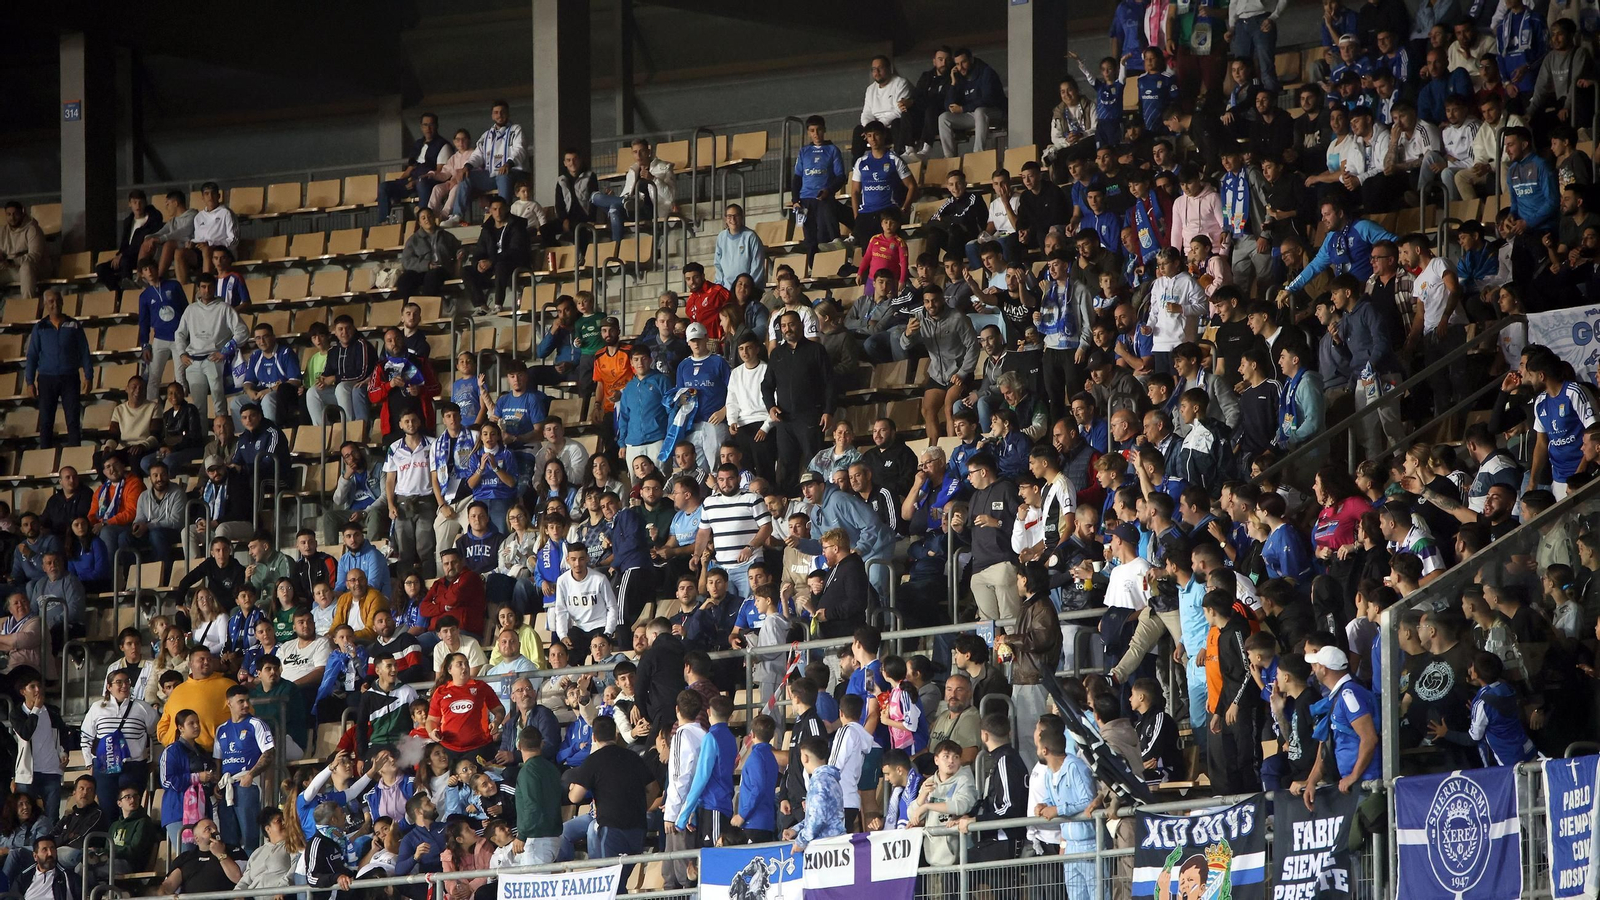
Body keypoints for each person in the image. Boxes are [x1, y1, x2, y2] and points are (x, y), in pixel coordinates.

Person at [1302, 645, 1381, 809]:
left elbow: (1369, 738)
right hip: (1354, 785)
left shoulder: (1349, 694)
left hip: (1365, 784)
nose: (1313, 669)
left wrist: (1354, 776)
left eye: (1315, 665)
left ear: (1323, 669)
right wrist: (1311, 782)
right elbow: (1327, 744)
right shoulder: (1339, 696)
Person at [79, 668, 158, 817]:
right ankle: (110, 840)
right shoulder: (97, 708)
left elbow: (157, 736)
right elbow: (86, 737)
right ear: (109, 687)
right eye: (119, 682)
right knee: (107, 811)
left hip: (134, 766)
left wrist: (155, 760)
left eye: (127, 682)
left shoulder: (143, 708)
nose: (124, 686)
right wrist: (89, 763)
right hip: (104, 768)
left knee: (131, 811)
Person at [24, 290, 93, 450]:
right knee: (46, 421)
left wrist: (88, 376)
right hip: (47, 379)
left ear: (62, 302)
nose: (54, 304)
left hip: (70, 378)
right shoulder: (40, 327)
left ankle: (75, 456)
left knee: (73, 419)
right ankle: (45, 457)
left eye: (57, 300)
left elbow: (84, 352)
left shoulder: (74, 324)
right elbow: (32, 356)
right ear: (45, 305)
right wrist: (29, 381)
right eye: (50, 301)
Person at [445, 100, 526, 226]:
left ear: (508, 114)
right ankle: (457, 216)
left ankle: (503, 216)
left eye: (502, 112)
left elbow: (519, 150)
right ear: (492, 115)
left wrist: (508, 163)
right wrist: (467, 166)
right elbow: (478, 155)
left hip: (514, 172)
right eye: (496, 112)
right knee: (466, 176)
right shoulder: (487, 135)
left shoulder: (516, 130)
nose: (499, 115)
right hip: (492, 174)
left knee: (503, 175)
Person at [592, 138, 675, 251]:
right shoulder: (632, 171)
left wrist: (653, 179)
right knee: (601, 200)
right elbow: (627, 192)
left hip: (651, 210)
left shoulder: (664, 168)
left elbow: (670, 196)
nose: (638, 155)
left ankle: (616, 250)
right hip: (633, 207)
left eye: (642, 151)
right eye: (635, 152)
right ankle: (617, 249)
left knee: (611, 205)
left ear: (649, 151)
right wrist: (615, 196)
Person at [155, 647, 235, 752]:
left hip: (214, 753)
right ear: (190, 664)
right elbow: (164, 723)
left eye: (209, 659)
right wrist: (168, 740)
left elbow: (244, 716)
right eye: (201, 659)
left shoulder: (228, 686)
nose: (206, 662)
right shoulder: (178, 690)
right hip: (179, 753)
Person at [939, 49, 1007, 157]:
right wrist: (953, 83)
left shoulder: (986, 72)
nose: (961, 67)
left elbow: (988, 99)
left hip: (995, 111)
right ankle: (949, 158)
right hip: (972, 114)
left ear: (971, 59)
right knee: (944, 117)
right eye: (957, 64)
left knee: (980, 111)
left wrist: (963, 109)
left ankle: (978, 154)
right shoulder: (959, 77)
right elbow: (948, 106)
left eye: (964, 62)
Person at [0, 201, 48, 300]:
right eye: (9, 214)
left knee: (26, 267)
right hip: (12, 270)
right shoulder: (3, 231)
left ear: (22, 213)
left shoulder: (32, 229)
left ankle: (28, 305)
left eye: (15, 214)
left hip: (36, 269)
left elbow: (35, 255)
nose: (12, 218)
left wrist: (13, 261)